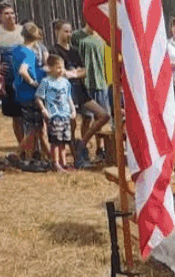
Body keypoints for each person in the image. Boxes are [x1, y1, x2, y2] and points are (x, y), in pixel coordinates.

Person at [51, 20, 107, 168]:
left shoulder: (74, 51)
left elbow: (83, 71)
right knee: (72, 124)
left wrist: (72, 73)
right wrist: (72, 73)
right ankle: (77, 158)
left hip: (81, 90)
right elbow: (57, 73)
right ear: (57, 31)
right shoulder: (54, 51)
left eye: (70, 31)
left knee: (103, 115)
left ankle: (82, 143)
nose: (68, 34)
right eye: (65, 31)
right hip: (65, 93)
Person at [70, 22, 110, 161]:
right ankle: (84, 147)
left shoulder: (102, 37)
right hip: (84, 83)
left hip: (101, 82)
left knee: (103, 118)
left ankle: (101, 148)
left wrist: (108, 78)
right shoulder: (76, 36)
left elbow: (107, 59)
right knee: (87, 118)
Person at [12, 21, 45, 170]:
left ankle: (27, 155)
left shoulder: (17, 50)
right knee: (34, 128)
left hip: (20, 93)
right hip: (30, 94)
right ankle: (26, 158)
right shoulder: (29, 53)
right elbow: (23, 70)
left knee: (31, 127)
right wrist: (33, 82)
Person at [0, 2, 23, 152]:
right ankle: (22, 146)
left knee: (31, 117)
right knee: (17, 116)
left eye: (12, 13)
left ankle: (33, 148)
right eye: (6, 14)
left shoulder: (23, 31)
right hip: (8, 81)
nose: (11, 16)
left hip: (26, 79)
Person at [35, 53, 73, 172]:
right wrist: (43, 109)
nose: (61, 70)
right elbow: (38, 97)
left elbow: (68, 97)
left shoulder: (66, 82)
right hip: (54, 115)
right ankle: (55, 163)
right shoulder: (46, 82)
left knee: (63, 140)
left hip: (65, 114)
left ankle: (64, 162)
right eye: (58, 67)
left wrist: (73, 109)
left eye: (62, 67)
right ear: (50, 68)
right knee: (55, 141)